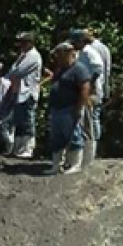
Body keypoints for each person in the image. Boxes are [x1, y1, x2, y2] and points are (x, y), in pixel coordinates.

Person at [46, 42, 92, 175]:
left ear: (68, 53)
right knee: (57, 137)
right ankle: (57, 164)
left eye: (59, 54)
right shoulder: (60, 69)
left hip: (70, 107)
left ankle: (75, 164)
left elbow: (85, 88)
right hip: (57, 108)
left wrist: (79, 107)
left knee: (74, 135)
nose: (57, 57)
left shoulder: (79, 69)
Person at [4, 32, 43, 158]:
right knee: (19, 121)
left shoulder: (33, 56)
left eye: (23, 42)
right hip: (20, 92)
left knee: (27, 120)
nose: (21, 45)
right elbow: (12, 70)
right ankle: (18, 148)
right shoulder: (23, 56)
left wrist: (13, 70)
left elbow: (17, 71)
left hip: (28, 92)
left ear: (30, 43)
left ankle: (27, 148)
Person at [70, 28, 105, 166]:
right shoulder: (81, 53)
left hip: (91, 91)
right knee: (84, 123)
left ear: (80, 41)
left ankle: (90, 157)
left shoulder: (89, 52)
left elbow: (98, 68)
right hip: (85, 90)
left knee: (89, 123)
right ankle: (86, 156)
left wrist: (89, 84)